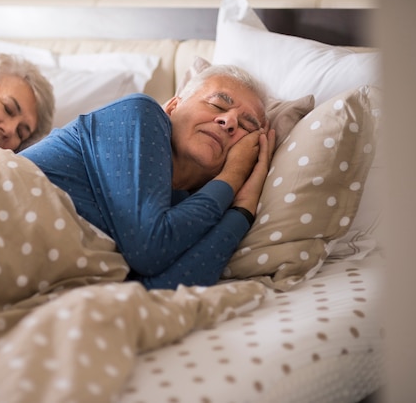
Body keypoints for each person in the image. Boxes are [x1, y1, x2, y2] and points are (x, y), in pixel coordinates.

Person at [20, 64, 275, 290]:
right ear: (173, 107)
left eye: (247, 126)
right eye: (218, 104)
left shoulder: (188, 212)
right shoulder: (139, 113)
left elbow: (157, 292)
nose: (229, 121)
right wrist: (233, 175)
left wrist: (243, 209)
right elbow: (150, 249)